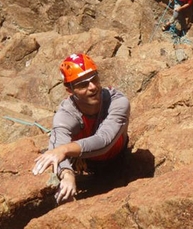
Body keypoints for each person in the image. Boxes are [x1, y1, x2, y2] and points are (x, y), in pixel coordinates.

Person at [32, 53, 130, 204]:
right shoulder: (66, 113)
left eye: (94, 79)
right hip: (85, 162)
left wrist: (64, 150)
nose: (92, 87)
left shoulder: (117, 101)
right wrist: (67, 174)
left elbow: (104, 140)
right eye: (83, 84)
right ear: (69, 90)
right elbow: (56, 146)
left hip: (117, 160)